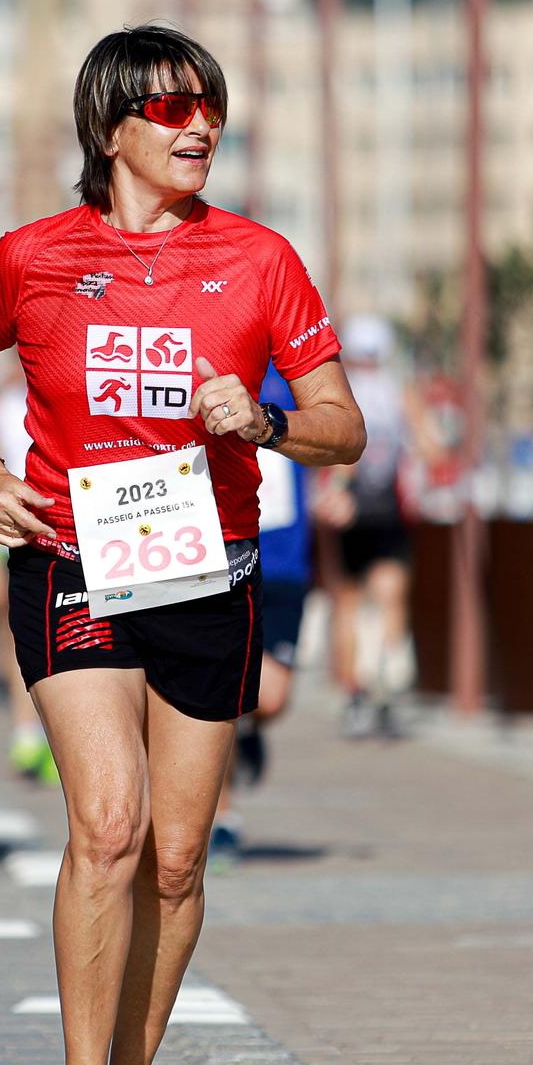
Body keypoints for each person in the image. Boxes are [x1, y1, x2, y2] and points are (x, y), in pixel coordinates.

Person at [0, 25, 365, 1065]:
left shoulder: (260, 260)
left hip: (208, 574)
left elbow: (341, 428)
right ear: (109, 127)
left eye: (208, 105)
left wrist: (261, 420)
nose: (198, 125)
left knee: (174, 857)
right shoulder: (31, 257)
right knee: (106, 827)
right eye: (171, 108)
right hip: (73, 564)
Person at [210, 364, 312, 861]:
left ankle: (246, 733)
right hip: (221, 551)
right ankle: (223, 816)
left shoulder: (294, 368)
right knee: (224, 690)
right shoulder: (203, 344)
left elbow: (334, 434)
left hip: (286, 561)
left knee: (269, 697)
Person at [313, 313, 430, 740]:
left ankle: (358, 693)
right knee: (390, 597)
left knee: (348, 602)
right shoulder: (400, 392)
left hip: (351, 512)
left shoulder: (338, 390)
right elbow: (430, 444)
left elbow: (325, 454)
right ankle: (383, 684)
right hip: (385, 511)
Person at [0, 355, 59, 786]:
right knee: (12, 621)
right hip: (8, 515)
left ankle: (44, 733)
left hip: (53, 517)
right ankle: (26, 730)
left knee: (47, 627)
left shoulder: (60, 374)